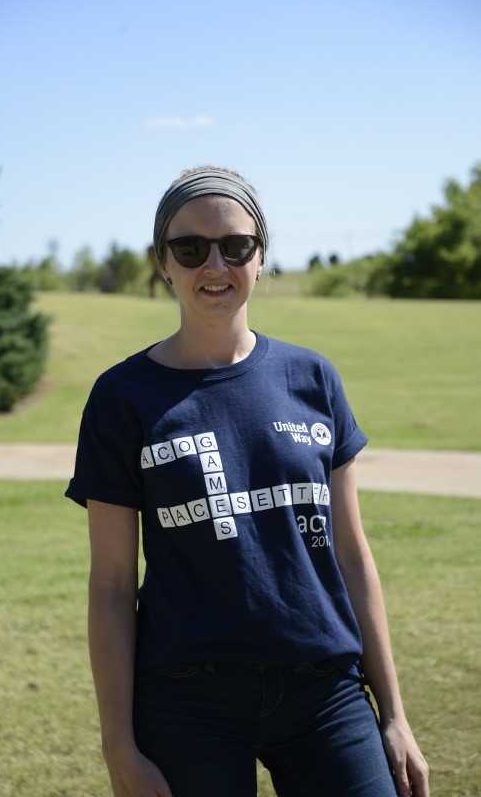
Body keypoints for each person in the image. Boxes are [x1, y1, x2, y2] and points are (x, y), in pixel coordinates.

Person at [66, 166, 429, 797]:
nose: (215, 265)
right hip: (187, 696)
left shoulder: (313, 378)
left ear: (260, 258)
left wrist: (395, 716)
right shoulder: (122, 397)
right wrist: (118, 745)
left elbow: (351, 555)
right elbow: (112, 584)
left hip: (325, 689)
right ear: (163, 263)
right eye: (190, 248)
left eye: (236, 246)